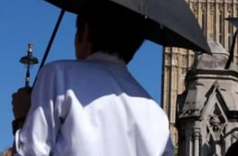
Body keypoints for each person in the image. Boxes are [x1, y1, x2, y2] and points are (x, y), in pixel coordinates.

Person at [11, 10, 173, 156]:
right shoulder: (157, 116)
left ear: (85, 31)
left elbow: (33, 152)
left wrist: (23, 119)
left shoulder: (58, 75)